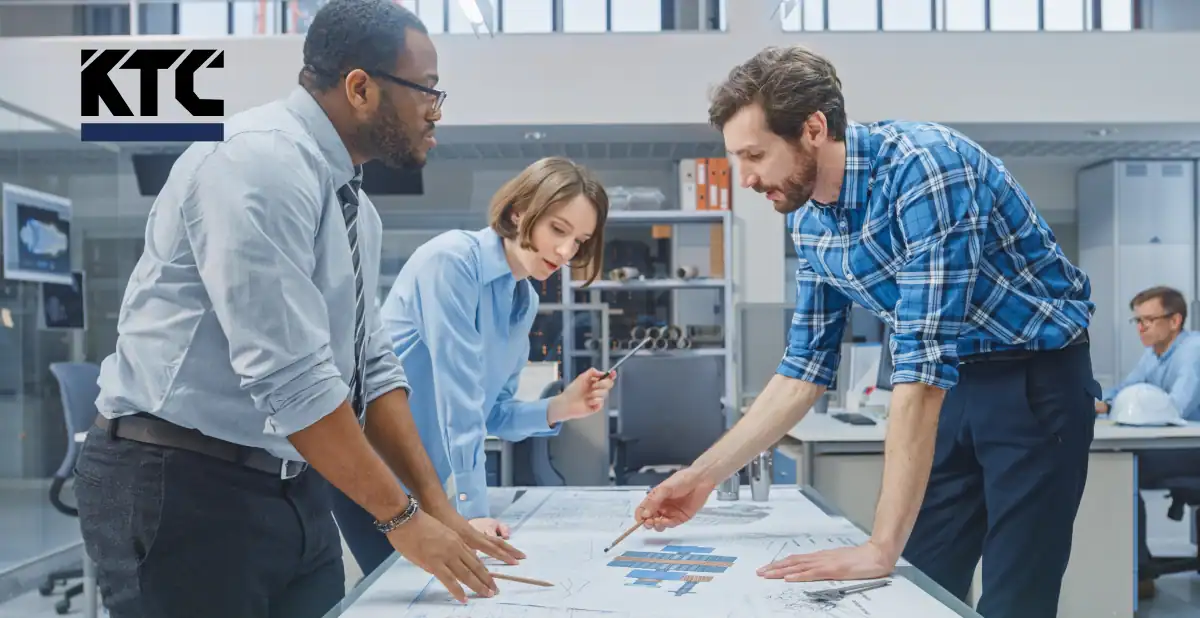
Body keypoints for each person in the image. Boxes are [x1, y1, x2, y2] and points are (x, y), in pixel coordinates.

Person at [72, 2, 522, 616]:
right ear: (360, 87)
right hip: (181, 481)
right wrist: (401, 520)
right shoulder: (259, 163)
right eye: (427, 93)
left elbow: (372, 367)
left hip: (291, 482)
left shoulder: (353, 204)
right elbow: (293, 379)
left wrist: (436, 504)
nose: (433, 114)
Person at [634, 44, 1098, 618]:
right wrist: (702, 476)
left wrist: (878, 546)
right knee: (922, 581)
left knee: (1014, 594)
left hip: (1036, 381)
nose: (747, 178)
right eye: (737, 158)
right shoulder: (807, 218)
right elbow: (802, 369)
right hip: (958, 385)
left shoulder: (926, 170)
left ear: (813, 128)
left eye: (755, 154)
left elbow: (923, 366)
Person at [332, 156, 616, 576]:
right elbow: (458, 396)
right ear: (519, 212)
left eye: (579, 241)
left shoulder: (524, 299)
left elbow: (491, 413)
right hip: (375, 479)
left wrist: (562, 407)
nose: (565, 251)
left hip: (424, 490)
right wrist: (471, 510)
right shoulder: (452, 262)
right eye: (558, 229)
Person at [1096, 286, 1200, 599]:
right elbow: (1128, 388)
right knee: (1114, 465)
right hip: (1171, 446)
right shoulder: (1154, 354)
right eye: (1137, 321)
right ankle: (1133, 568)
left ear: (1175, 320)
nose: (1141, 327)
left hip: (1190, 449)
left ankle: (1138, 573)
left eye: (1149, 320)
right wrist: (1102, 402)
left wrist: (1112, 407)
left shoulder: (1192, 351)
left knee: (1120, 471)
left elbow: (1173, 408)